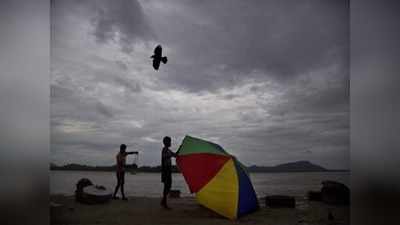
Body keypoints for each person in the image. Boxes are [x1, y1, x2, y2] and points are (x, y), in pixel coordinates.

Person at [160, 136, 177, 209]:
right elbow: (165, 156)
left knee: (168, 186)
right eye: (169, 141)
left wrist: (181, 149)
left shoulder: (169, 150)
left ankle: (163, 201)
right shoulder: (164, 150)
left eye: (170, 141)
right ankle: (164, 203)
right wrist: (171, 155)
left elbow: (175, 155)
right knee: (166, 186)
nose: (170, 143)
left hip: (168, 170)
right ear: (165, 142)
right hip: (165, 170)